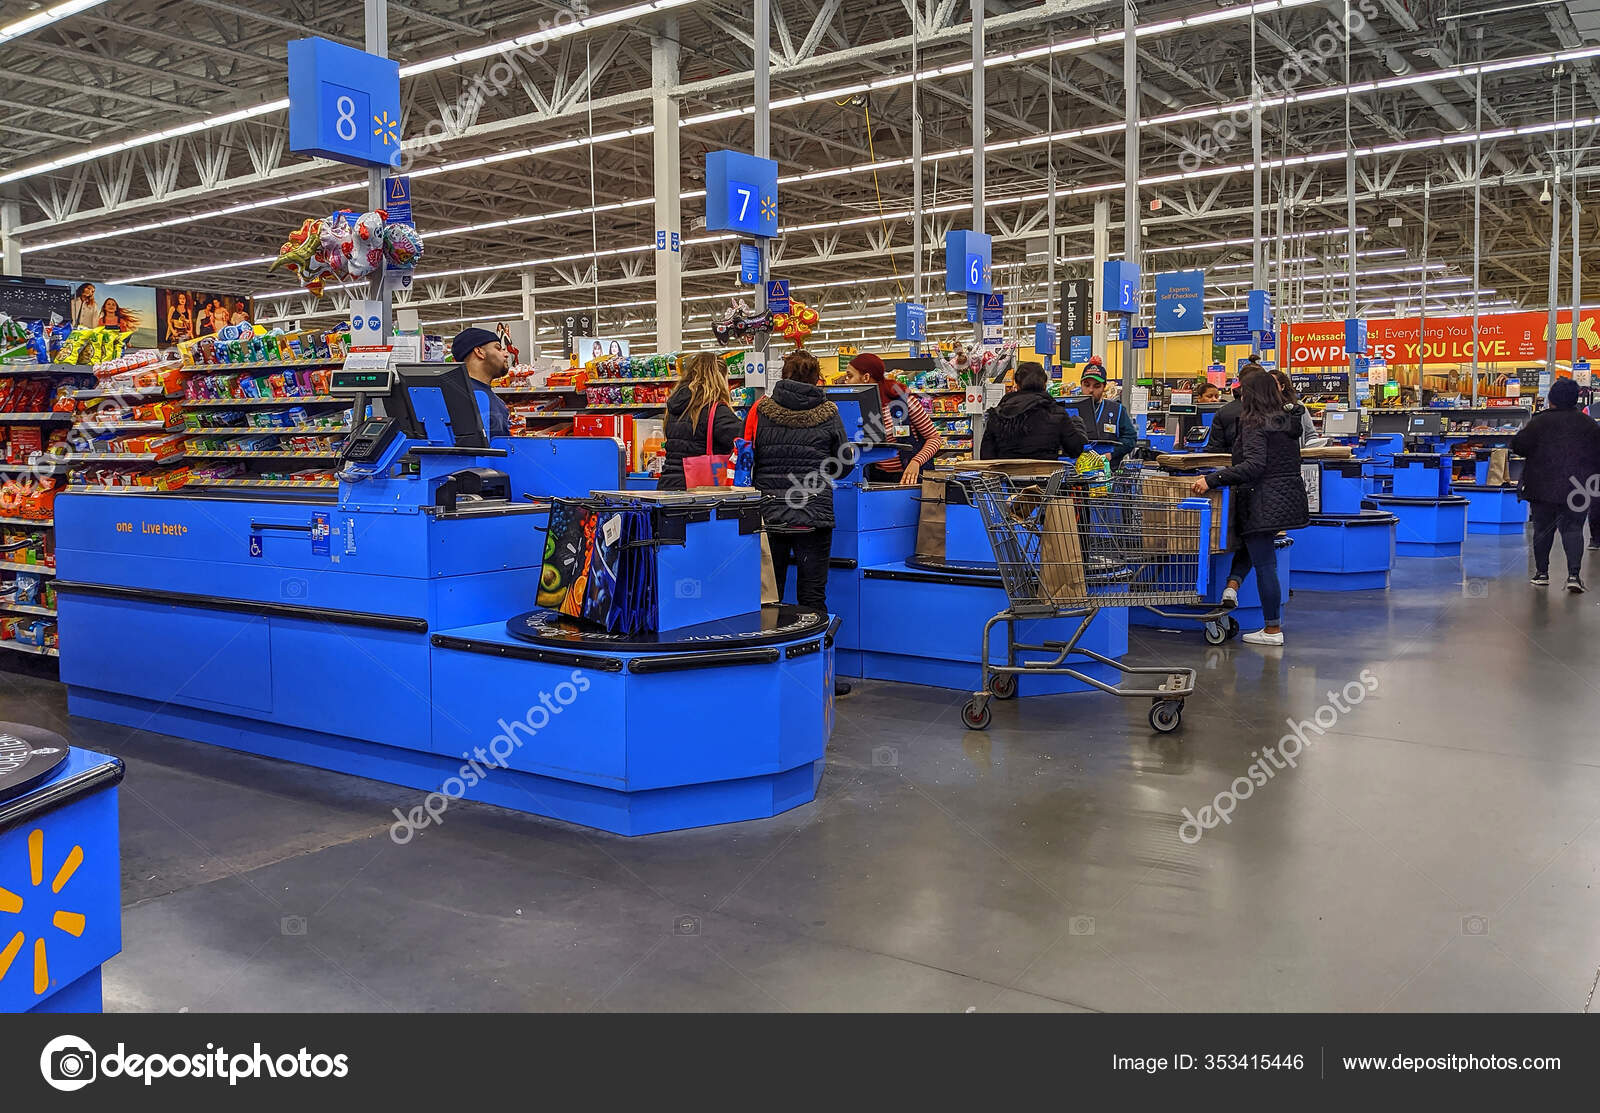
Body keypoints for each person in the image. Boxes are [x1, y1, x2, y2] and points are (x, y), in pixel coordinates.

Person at [750, 349, 851, 696]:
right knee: (812, 598)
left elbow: (749, 456)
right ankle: (818, 675)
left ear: (784, 374)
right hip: (813, 516)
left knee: (768, 597)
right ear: (815, 378)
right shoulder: (829, 411)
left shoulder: (761, 410)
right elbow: (844, 463)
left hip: (771, 514)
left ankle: (768, 671)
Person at [1190, 373, 1309, 646]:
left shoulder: (1255, 423)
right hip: (1283, 498)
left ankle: (1271, 630)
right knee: (1258, 551)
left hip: (1261, 498)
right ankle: (1232, 587)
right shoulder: (1285, 421)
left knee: (1265, 563)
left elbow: (1254, 465)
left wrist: (1212, 479)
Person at [1510, 376, 1600, 591]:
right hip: (1577, 487)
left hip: (1541, 485)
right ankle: (1574, 576)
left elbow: (1519, 446)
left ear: (1552, 399)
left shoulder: (1539, 421)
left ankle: (1542, 573)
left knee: (1542, 529)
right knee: (1573, 529)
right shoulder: (1588, 424)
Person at [840, 351, 944, 484]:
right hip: (875, 478)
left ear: (866, 377)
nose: (846, 380)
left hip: (909, 478)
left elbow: (934, 439)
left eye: (850, 376)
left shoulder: (904, 402)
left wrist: (916, 461)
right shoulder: (856, 408)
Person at [657, 351, 741, 490]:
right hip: (699, 491)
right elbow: (741, 440)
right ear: (719, 378)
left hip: (668, 484)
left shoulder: (673, 409)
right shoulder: (715, 410)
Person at [980, 361, 1087, 461]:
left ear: (1017, 385)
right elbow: (1075, 450)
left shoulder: (998, 415)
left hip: (1006, 479)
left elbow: (986, 457)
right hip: (1046, 479)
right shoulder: (1056, 413)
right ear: (1044, 385)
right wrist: (1077, 424)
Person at [1069, 358, 1136, 466]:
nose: (1090, 390)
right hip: (1074, 468)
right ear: (1080, 385)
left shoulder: (1117, 410)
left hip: (1107, 471)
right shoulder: (1070, 409)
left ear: (1104, 387)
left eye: (1096, 386)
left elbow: (1130, 439)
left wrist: (1111, 454)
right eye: (1086, 385)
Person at [451, 326, 511, 439]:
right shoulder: (480, 399)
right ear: (479, 352)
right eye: (498, 348)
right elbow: (500, 450)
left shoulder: (451, 392)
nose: (506, 354)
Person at [1205, 360, 1266, 452]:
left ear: (1240, 381)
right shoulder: (1274, 409)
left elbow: (1215, 449)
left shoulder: (1224, 412)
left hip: (1232, 463)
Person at [1268, 368, 1318, 441]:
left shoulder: (1298, 406)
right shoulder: (1262, 407)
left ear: (1282, 386)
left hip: (1297, 451)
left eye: (1274, 384)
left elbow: (1310, 434)